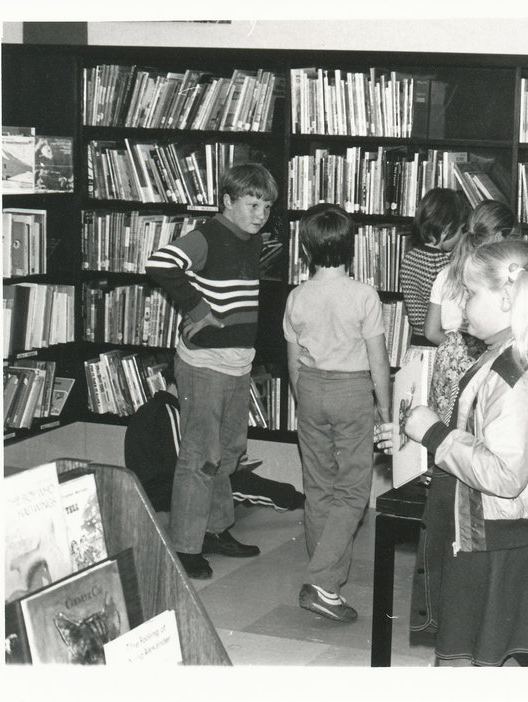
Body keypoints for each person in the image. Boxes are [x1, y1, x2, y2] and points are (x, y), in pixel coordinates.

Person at [376, 239, 528, 666]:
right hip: (476, 526)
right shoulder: (498, 358)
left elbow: (503, 474)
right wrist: (419, 441)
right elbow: (476, 438)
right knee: (462, 652)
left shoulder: (517, 374)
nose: (458, 303)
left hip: (492, 538)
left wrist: (437, 436)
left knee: (473, 658)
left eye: (469, 293)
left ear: (504, 297)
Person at [145, 162, 278, 579]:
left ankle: (216, 529)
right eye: (252, 204)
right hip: (203, 366)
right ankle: (186, 544)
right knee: (200, 456)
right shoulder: (208, 236)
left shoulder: (252, 241)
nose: (260, 214)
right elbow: (160, 263)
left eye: (267, 207)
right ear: (227, 202)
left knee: (229, 451)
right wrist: (199, 309)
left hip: (238, 364)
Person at [283, 203, 392, 623]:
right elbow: (378, 361)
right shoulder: (363, 296)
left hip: (309, 389)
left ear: (305, 249)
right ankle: (322, 580)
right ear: (351, 247)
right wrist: (384, 410)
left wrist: (304, 397)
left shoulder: (296, 296)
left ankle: (327, 584)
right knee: (353, 491)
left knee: (319, 487)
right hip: (351, 391)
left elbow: (293, 363)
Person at [122, 372, 305, 517]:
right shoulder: (168, 412)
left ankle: (294, 499)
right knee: (233, 483)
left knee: (230, 476)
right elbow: (183, 470)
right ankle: (298, 500)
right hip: (163, 496)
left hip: (161, 489)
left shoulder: (156, 408)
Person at [426, 199, 519, 422]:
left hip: (447, 358)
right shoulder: (494, 279)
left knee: (443, 429)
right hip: (480, 357)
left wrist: (454, 347)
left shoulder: (445, 273)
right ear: (499, 237)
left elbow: (430, 331)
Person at [399, 188, 470, 342]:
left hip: (416, 338)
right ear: (446, 230)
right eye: (460, 230)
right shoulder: (442, 266)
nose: (461, 237)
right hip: (437, 339)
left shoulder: (409, 257)